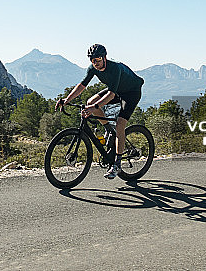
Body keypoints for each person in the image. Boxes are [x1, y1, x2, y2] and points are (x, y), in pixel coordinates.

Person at [55, 44, 144, 179]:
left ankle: (117, 164)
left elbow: (111, 95)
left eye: (97, 60)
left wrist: (94, 108)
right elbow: (81, 86)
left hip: (131, 92)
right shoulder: (93, 68)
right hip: (117, 90)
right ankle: (109, 130)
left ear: (104, 58)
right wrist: (66, 100)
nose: (95, 63)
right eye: (92, 60)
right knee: (89, 102)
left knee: (120, 123)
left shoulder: (114, 68)